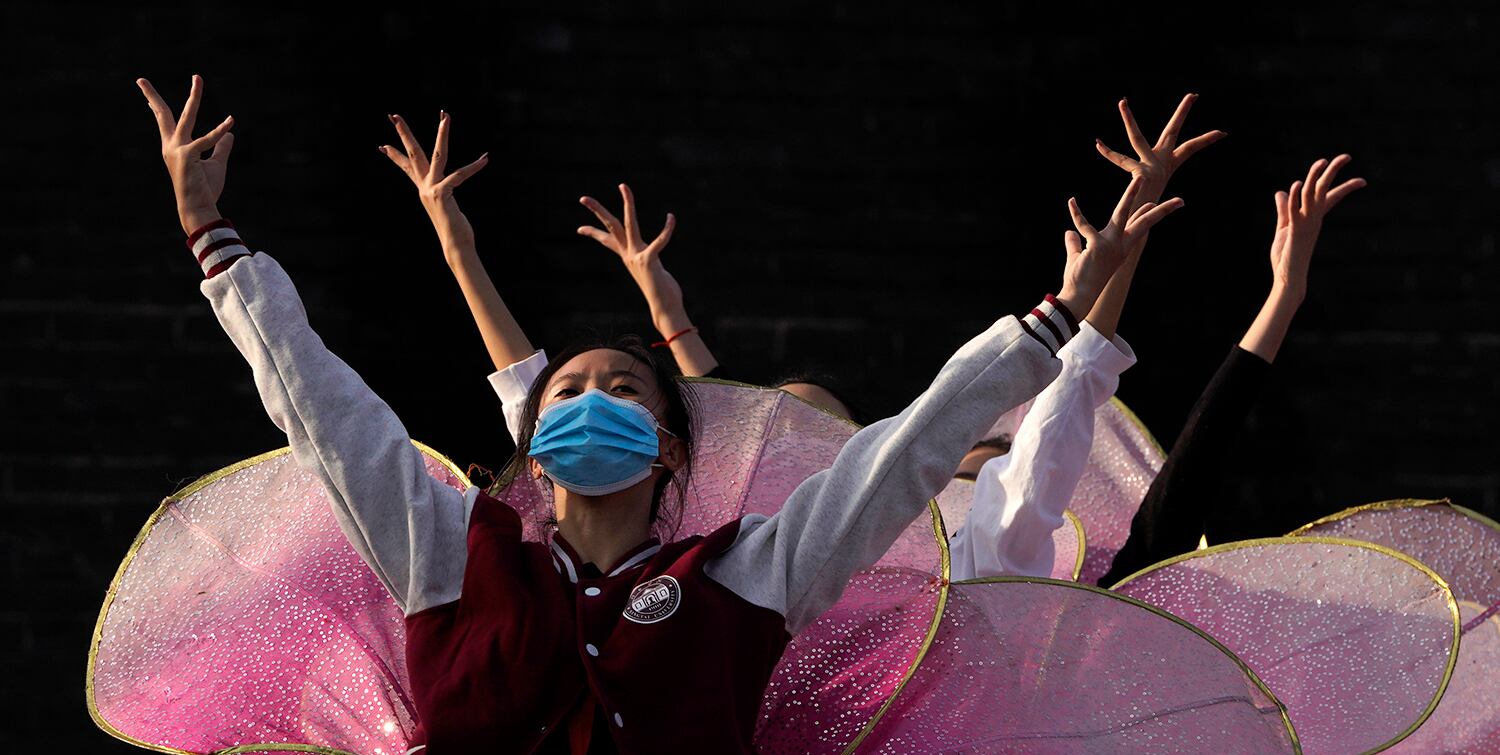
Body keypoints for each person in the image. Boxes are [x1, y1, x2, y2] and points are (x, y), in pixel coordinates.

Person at [141, 74, 1179, 755]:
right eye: (572, 392)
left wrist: (1049, 324)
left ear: (673, 446)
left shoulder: (743, 574)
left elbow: (901, 455)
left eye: (626, 390)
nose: (596, 401)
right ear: (533, 444)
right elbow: (323, 411)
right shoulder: (452, 551)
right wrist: (216, 243)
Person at [390, 97, 1214, 578]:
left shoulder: (943, 544)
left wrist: (1113, 254)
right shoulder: (710, 543)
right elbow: (543, 400)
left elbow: (1065, 395)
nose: (784, 436)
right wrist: (662, 309)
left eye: (815, 433)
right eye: (779, 428)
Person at [1098, 151, 1365, 585]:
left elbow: (1197, 458)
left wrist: (1284, 294)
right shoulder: (953, 590)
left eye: (988, 473)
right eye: (968, 480)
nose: (985, 492)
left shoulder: (1106, 616)